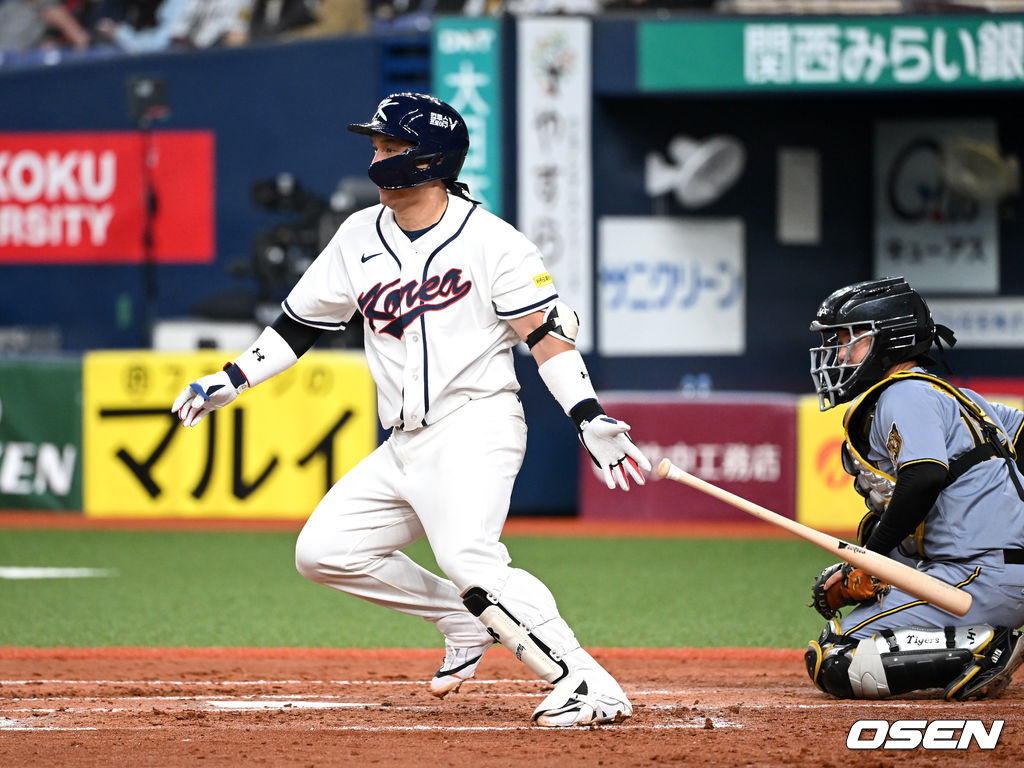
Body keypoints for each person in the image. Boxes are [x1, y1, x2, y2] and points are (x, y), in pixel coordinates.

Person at [171, 92, 651, 727]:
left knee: (469, 559)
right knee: (325, 551)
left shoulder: (493, 242)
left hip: (476, 424)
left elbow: (544, 336)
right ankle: (462, 617)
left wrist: (586, 414)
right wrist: (232, 378)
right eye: (376, 145)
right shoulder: (358, 234)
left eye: (389, 146)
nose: (376, 157)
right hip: (404, 441)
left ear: (429, 159)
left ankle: (588, 682)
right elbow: (299, 325)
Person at [804, 276, 1024, 701]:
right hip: (993, 573)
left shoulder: (903, 395)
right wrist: (871, 561)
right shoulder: (961, 398)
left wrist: (870, 559)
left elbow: (923, 478)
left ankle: (983, 647)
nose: (840, 353)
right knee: (872, 551)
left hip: (977, 578)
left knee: (833, 658)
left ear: (890, 340)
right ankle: (983, 635)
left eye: (850, 339)